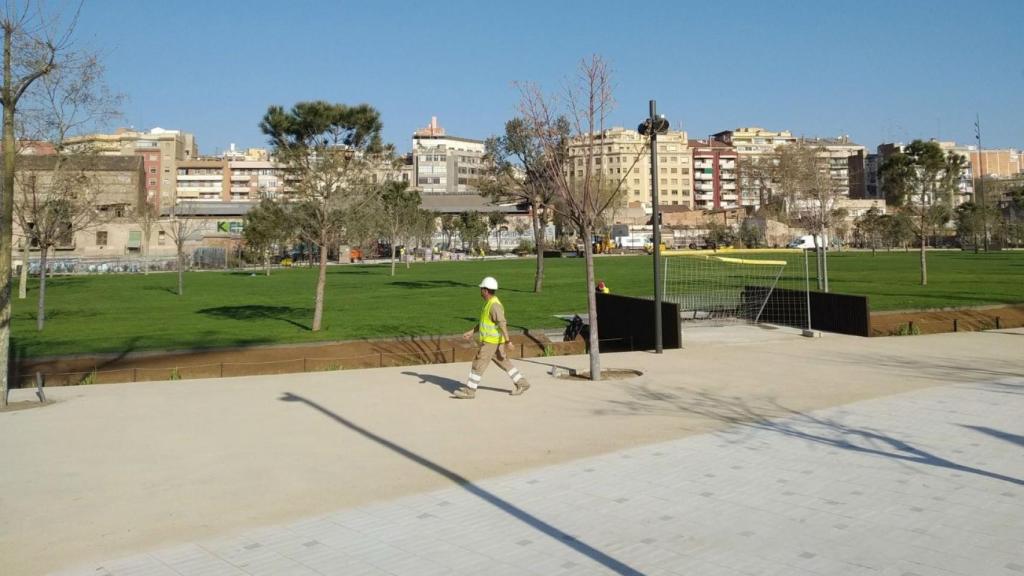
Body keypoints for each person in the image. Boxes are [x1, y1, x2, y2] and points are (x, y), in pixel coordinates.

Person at [453, 276, 530, 399]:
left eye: (481, 289)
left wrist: (508, 341)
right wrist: (472, 331)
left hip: (490, 342)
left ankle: (469, 391)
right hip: (493, 341)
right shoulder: (489, 304)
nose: (480, 291)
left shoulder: (494, 306)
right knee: (504, 362)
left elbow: (502, 323)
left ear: (486, 290)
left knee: (478, 364)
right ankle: (522, 383)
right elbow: (485, 323)